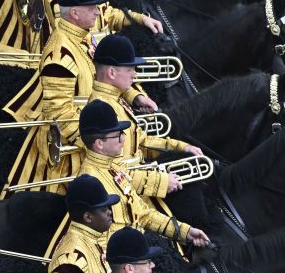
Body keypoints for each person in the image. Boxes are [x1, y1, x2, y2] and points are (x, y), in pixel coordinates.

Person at [0, 0, 109, 195]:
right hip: (71, 148)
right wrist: (96, 142)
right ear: (75, 13)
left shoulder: (82, 38)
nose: (98, 11)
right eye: (92, 7)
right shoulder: (61, 54)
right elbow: (59, 113)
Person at [72, 100, 211, 248]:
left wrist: (185, 232)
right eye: (118, 135)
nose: (123, 139)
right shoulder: (91, 182)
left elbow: (143, 214)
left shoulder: (114, 168)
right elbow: (104, 243)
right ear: (99, 144)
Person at [90, 34, 204, 199]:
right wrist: (160, 182)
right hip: (125, 194)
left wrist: (181, 148)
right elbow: (113, 171)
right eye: (129, 70)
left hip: (136, 183)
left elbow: (142, 141)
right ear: (112, 73)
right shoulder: (102, 110)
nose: (135, 75)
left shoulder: (116, 101)